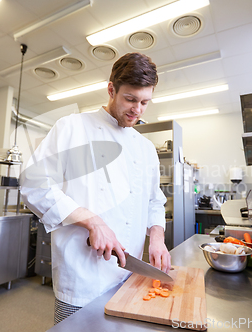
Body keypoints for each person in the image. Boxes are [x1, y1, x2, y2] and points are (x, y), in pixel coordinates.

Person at [20, 52, 171, 325]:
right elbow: (34, 185)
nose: (137, 109)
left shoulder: (146, 148)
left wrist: (157, 238)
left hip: (128, 274)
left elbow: (154, 201)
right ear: (111, 90)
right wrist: (93, 221)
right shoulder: (71, 128)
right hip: (82, 277)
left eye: (144, 102)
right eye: (130, 99)